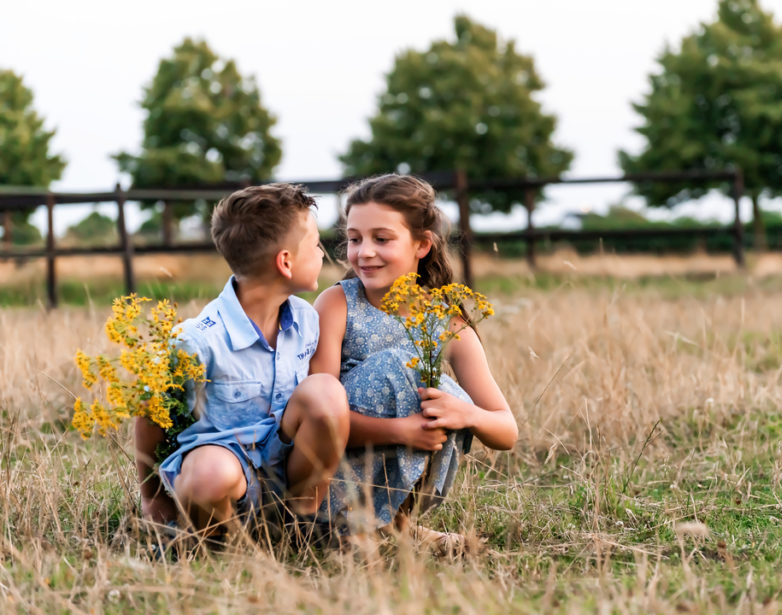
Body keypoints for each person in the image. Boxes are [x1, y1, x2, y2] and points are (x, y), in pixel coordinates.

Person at [134, 183, 350, 546]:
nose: (322, 253)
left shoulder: (305, 320)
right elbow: (150, 413)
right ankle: (219, 538)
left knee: (326, 392)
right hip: (224, 476)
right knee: (209, 474)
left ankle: (303, 523)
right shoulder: (196, 341)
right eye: (315, 244)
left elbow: (314, 415)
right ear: (285, 262)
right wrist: (152, 496)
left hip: (287, 468)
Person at [310, 174, 517, 552]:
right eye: (355, 239)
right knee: (399, 367)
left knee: (445, 392)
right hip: (329, 473)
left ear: (422, 244)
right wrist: (401, 431)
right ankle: (338, 523)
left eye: (382, 239)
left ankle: (393, 523)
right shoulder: (337, 304)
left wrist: (465, 414)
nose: (364, 252)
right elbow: (316, 415)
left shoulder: (448, 323)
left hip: (405, 464)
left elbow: (506, 430)